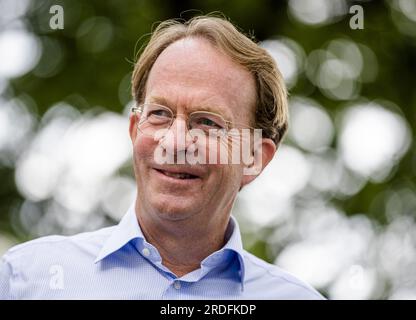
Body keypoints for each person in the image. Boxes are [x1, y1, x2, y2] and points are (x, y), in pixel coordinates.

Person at [0, 15, 323, 299]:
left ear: (253, 156)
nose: (175, 141)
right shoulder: (26, 280)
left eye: (207, 122)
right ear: (134, 131)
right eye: (159, 114)